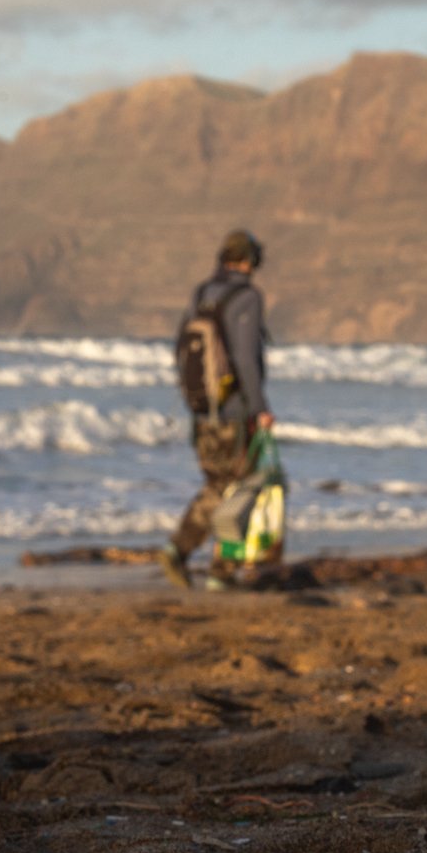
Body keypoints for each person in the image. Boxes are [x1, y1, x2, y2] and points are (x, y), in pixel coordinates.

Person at [160, 228, 275, 590]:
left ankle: (180, 551)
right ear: (249, 261)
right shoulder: (247, 297)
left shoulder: (201, 294)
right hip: (235, 411)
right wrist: (260, 407)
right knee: (241, 488)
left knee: (216, 485)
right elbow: (244, 357)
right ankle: (219, 571)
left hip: (201, 408)